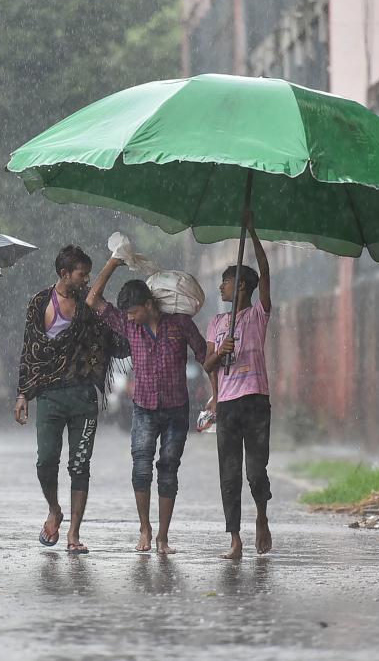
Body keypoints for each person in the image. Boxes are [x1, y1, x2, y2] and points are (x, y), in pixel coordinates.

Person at [14, 246, 130, 555]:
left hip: (83, 396)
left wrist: (114, 264)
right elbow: (30, 351)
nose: (86, 279)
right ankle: (54, 509)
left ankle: (74, 532)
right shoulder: (39, 303)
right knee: (46, 462)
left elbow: (98, 296)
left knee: (80, 465)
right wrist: (23, 393)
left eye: (88, 274)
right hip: (49, 396)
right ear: (65, 274)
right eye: (82, 273)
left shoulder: (87, 305)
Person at [87, 258, 207, 555]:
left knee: (168, 469)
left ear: (149, 305)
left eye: (133, 311)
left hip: (176, 410)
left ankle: (163, 537)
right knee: (141, 469)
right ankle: (145, 528)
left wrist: (216, 395)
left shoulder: (181, 325)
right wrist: (114, 261)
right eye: (126, 314)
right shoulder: (130, 328)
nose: (129, 318)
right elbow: (93, 300)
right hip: (143, 408)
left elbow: (207, 356)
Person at [203, 212, 273, 560]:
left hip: (256, 401)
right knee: (229, 474)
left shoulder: (259, 314)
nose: (221, 287)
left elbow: (265, 272)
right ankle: (234, 538)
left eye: (226, 282)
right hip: (228, 405)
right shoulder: (216, 322)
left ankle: (261, 515)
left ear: (242, 287)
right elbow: (208, 366)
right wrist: (221, 353)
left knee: (255, 471)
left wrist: (252, 231)